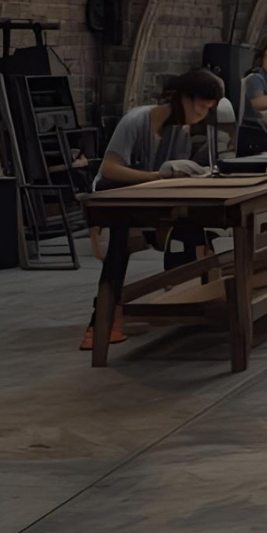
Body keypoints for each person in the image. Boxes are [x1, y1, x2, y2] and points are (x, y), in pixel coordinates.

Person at [79, 67, 224, 350]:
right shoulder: (136, 121)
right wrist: (157, 177)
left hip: (151, 200)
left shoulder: (179, 133)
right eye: (200, 106)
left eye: (208, 109)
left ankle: (202, 303)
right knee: (120, 235)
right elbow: (109, 169)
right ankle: (104, 319)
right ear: (183, 97)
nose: (201, 114)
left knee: (198, 225)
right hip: (114, 198)